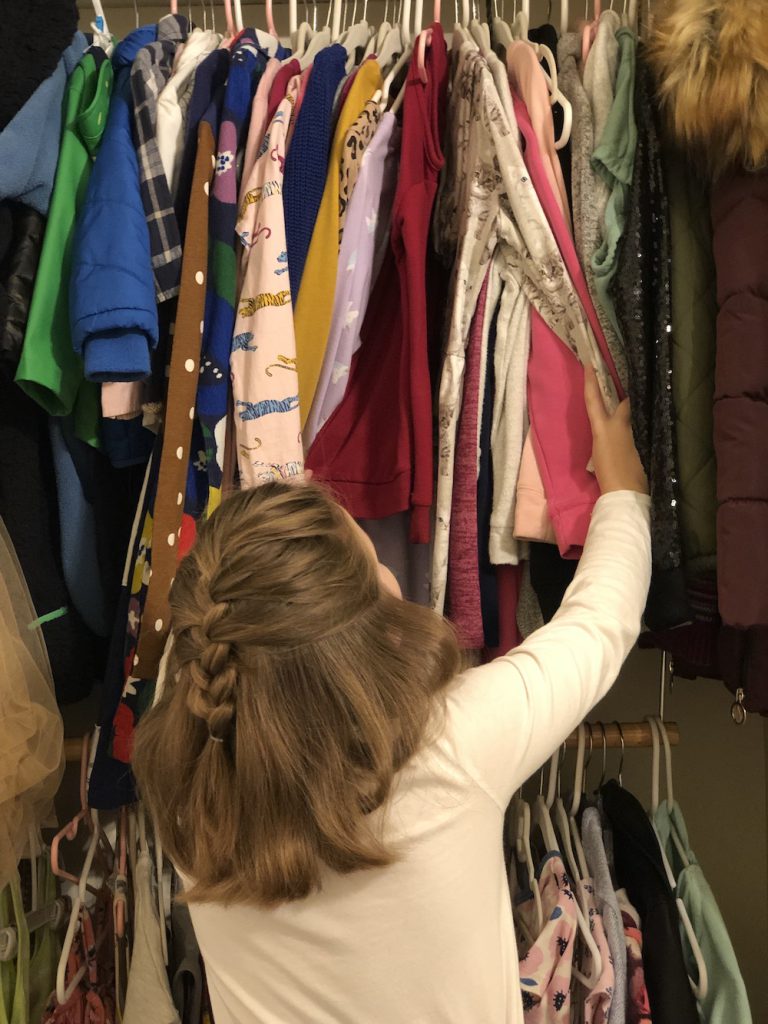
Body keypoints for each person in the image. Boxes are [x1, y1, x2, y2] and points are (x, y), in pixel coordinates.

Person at [132, 366, 650, 1024]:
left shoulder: (187, 779)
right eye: (371, 559)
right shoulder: (452, 745)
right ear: (365, 636)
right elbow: (598, 626)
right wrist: (625, 493)